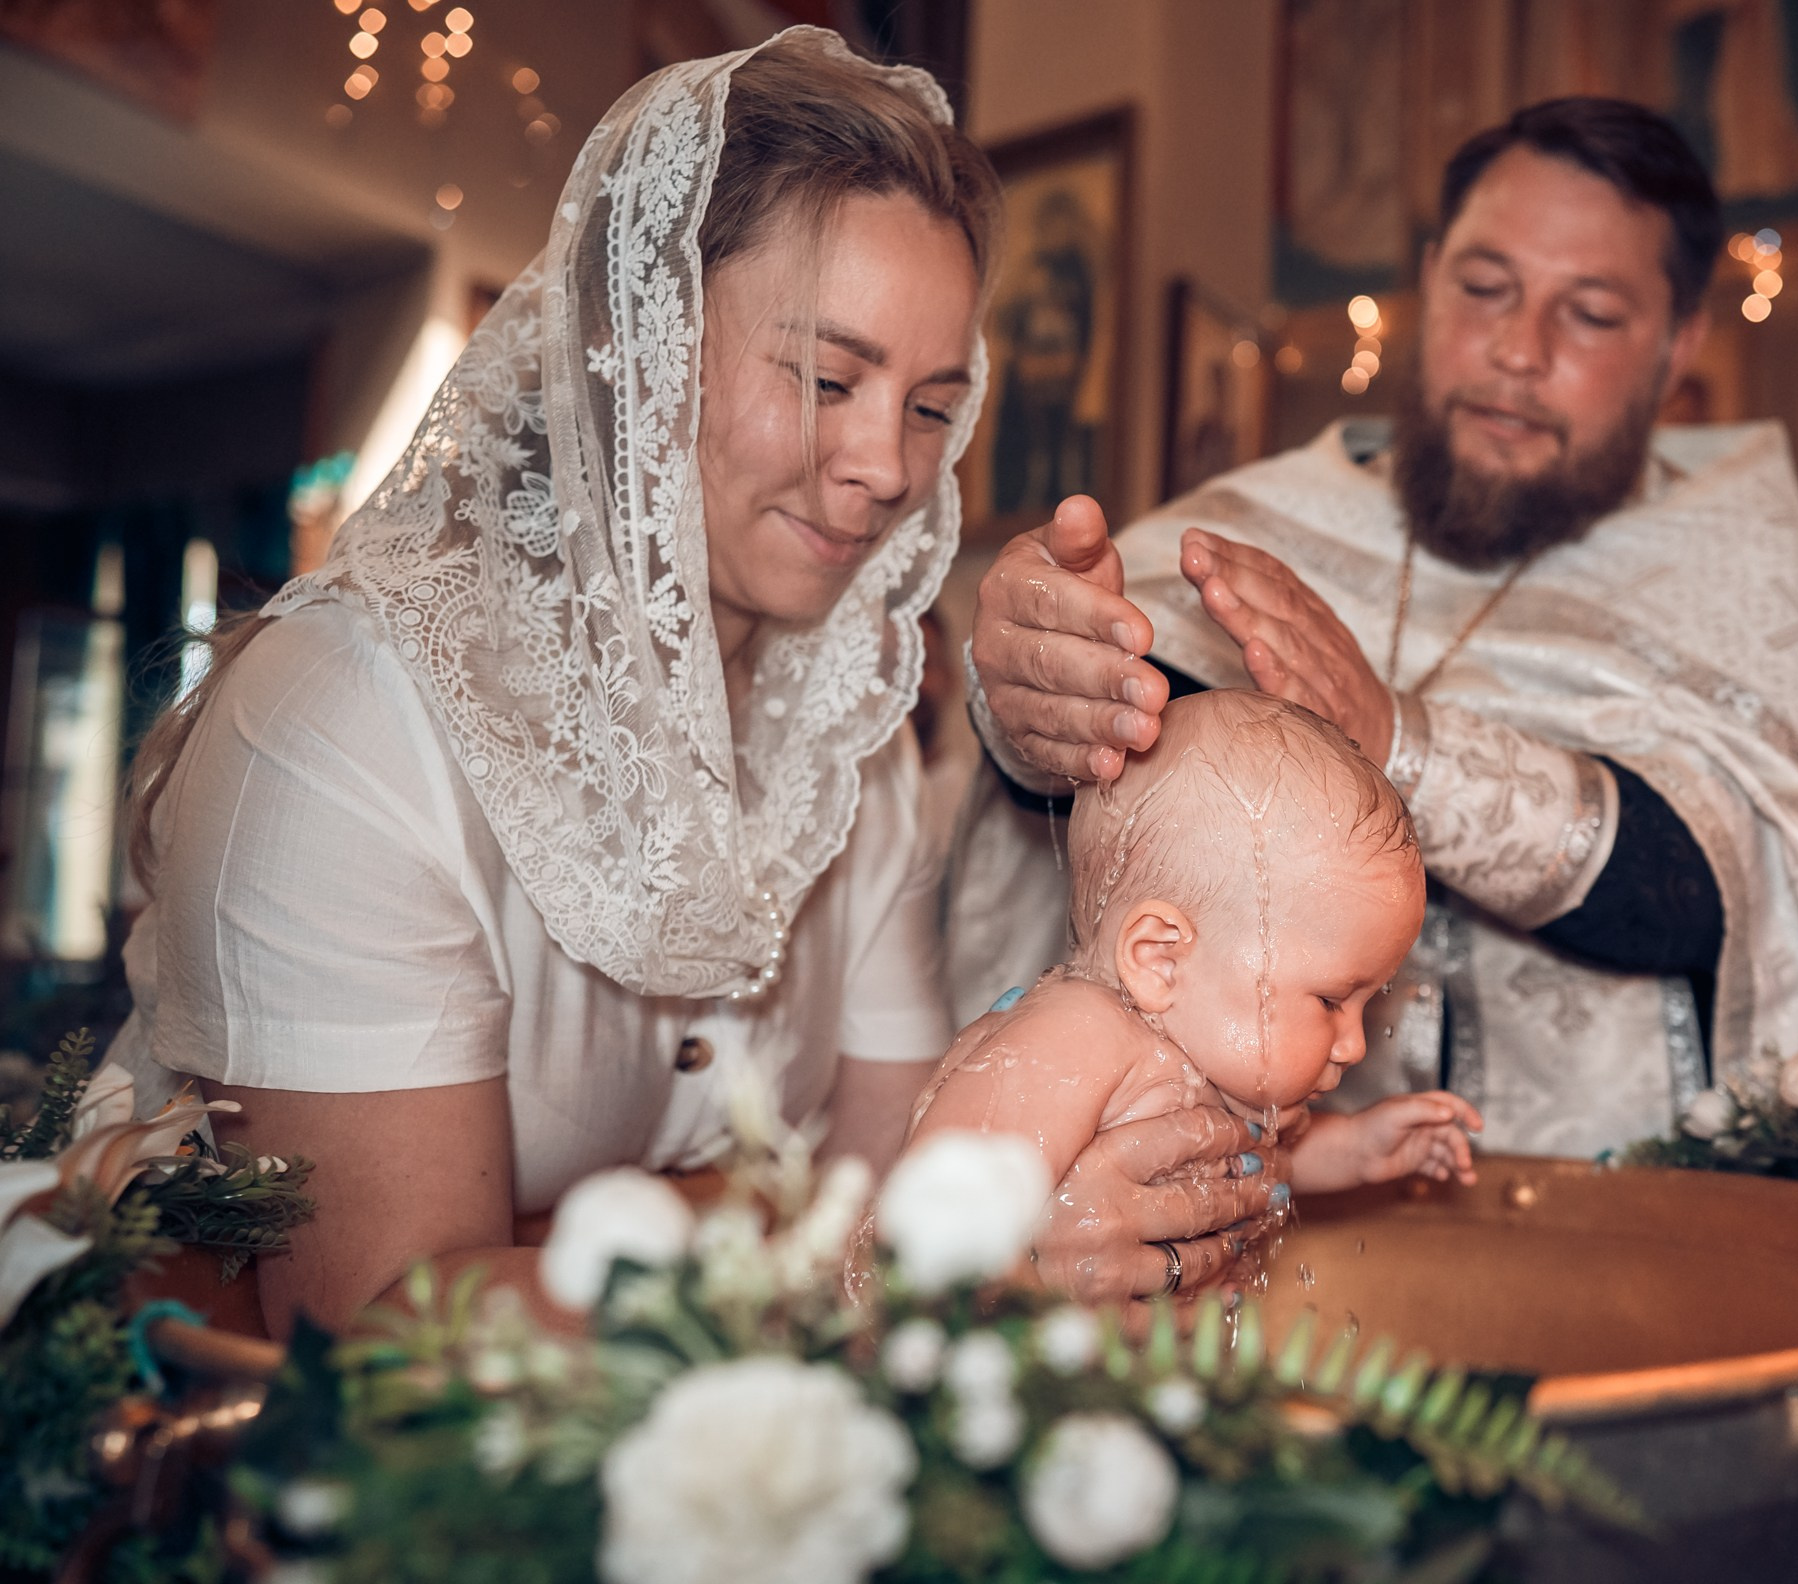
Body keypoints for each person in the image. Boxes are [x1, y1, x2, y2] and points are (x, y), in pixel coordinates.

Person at [104, 30, 1273, 1337]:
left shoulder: (853, 747)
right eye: (827, 379)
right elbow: (379, 1328)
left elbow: (896, 1175)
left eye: (932, 406)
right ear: (636, 346)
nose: (890, 466)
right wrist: (896, 1261)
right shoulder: (349, 721)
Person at [953, 98, 1798, 1158]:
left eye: (1590, 314)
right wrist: (1042, 685)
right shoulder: (1257, 521)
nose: (1516, 349)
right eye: (1483, 288)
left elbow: (1720, 893)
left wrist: (1397, 740)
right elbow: (1129, 771)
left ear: (1679, 343)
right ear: (1428, 275)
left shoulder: (1732, 560)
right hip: (1264, 1192)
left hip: (1616, 1206)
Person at [912, 691, 1479, 1300]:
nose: (1353, 1047)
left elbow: (1259, 1167)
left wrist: (1358, 1149)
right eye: (1331, 1002)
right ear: (1160, 959)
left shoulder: (1209, 1061)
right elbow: (935, 1217)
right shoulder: (1076, 1038)